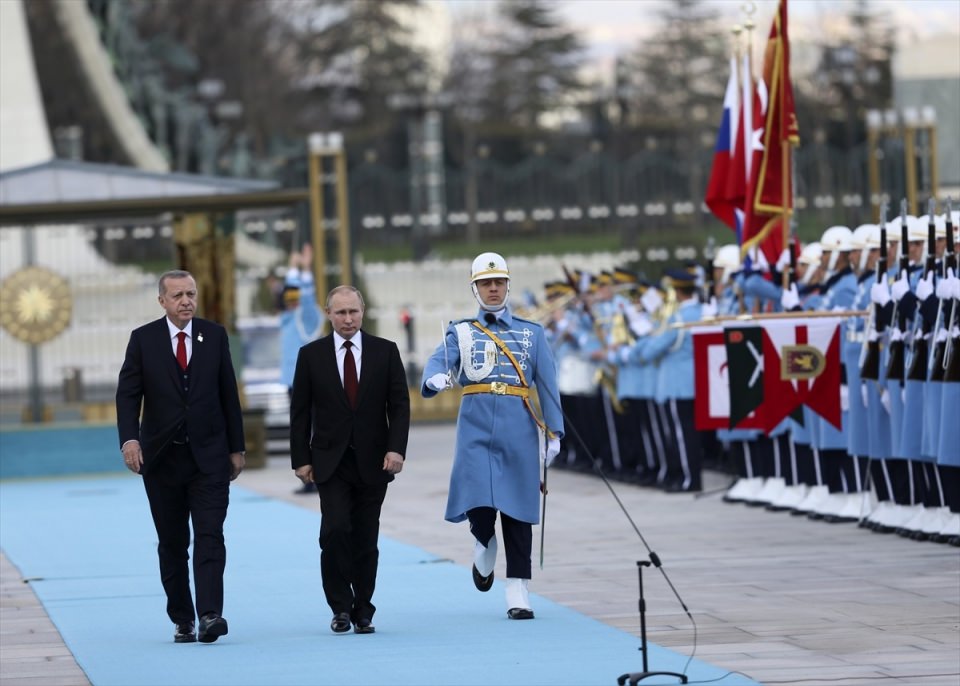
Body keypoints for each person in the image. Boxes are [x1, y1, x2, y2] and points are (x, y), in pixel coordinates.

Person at [420, 252, 564, 620]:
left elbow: (546, 385)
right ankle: (483, 541)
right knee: (478, 503)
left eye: (499, 281)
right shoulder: (461, 330)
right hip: (476, 424)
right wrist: (434, 378)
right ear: (475, 288)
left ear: (508, 285)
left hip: (518, 426)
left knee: (517, 509)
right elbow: (441, 360)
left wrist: (554, 431)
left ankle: (518, 588)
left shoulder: (532, 333)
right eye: (486, 283)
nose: (494, 288)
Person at [116, 270, 245, 644]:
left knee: (210, 535)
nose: (186, 301)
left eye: (191, 293)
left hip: (209, 458)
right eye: (178, 295)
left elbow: (227, 395)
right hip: (161, 460)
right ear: (162, 301)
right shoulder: (143, 340)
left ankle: (210, 614)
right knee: (172, 543)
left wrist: (236, 448)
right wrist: (129, 441)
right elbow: (128, 396)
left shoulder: (214, 335)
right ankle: (182, 617)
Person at [289, 285, 410, 635]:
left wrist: (396, 448)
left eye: (353, 312)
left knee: (366, 538)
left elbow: (399, 406)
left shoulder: (385, 351)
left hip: (375, 461)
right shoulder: (311, 355)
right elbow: (300, 413)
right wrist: (301, 458)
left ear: (363, 311)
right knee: (336, 530)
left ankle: (364, 608)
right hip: (330, 461)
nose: (347, 319)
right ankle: (339, 607)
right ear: (329, 314)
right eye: (340, 312)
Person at [280, 244, 324, 494]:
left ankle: (318, 475)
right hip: (291, 382)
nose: (290, 301)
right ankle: (307, 475)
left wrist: (302, 268)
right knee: (300, 430)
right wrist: (292, 269)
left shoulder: (306, 317)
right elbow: (292, 294)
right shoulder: (287, 317)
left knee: (315, 430)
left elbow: (304, 298)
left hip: (308, 382)